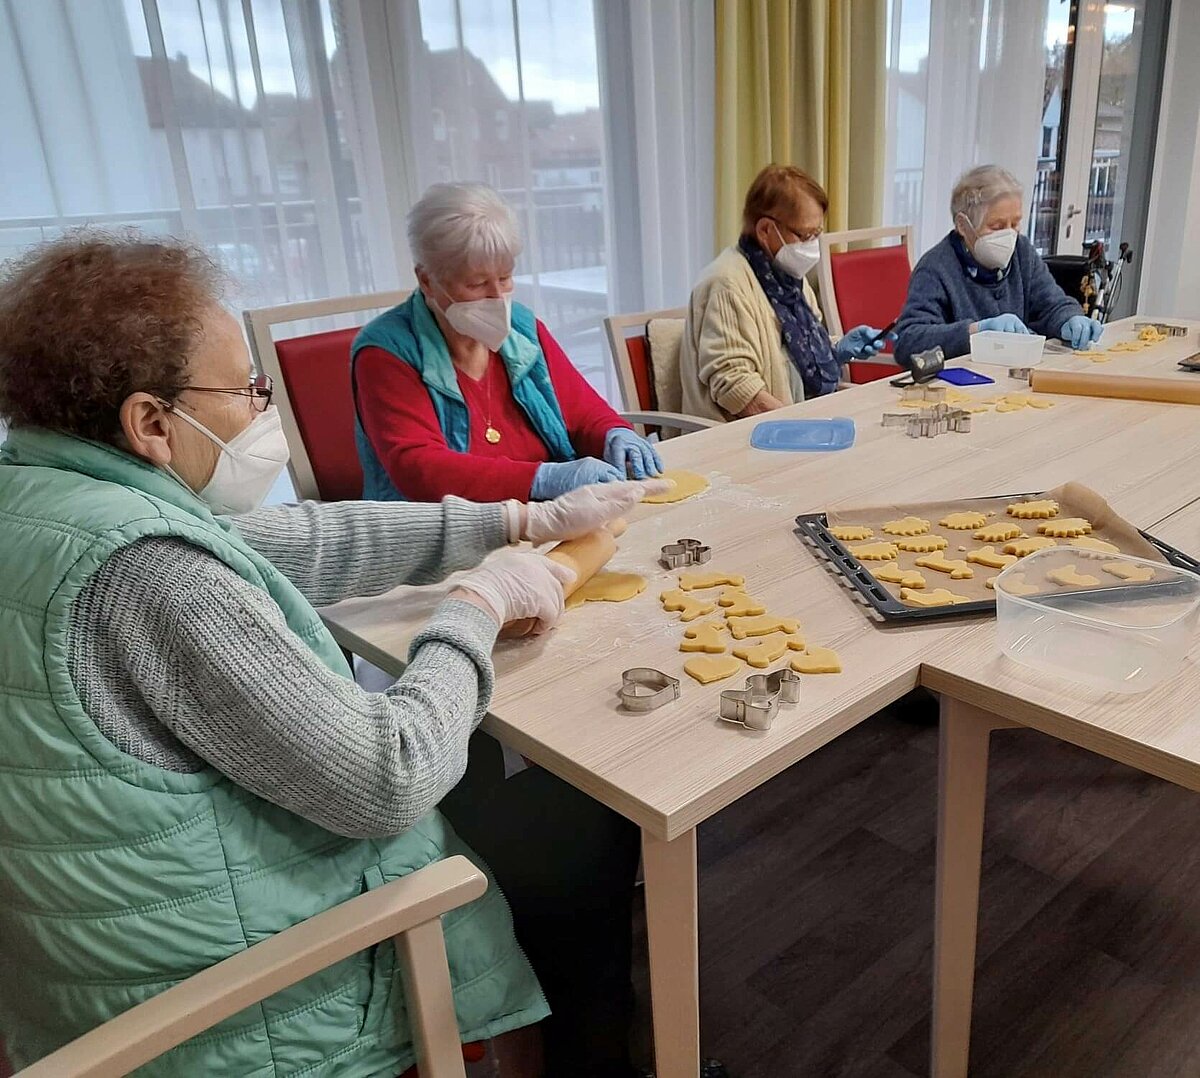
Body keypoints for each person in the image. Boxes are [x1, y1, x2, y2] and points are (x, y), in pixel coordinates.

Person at [0, 232, 662, 1077]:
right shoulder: (147, 573)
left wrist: (511, 525)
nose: (261, 404)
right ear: (151, 423)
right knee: (566, 839)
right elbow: (392, 775)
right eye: (245, 388)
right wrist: (477, 605)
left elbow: (296, 538)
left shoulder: (48, 495)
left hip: (84, 979)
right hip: (241, 1020)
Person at [353, 182, 661, 503]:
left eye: (504, 277)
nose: (498, 297)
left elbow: (582, 413)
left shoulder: (523, 329)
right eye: (476, 283)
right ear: (427, 280)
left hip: (550, 517)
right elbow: (418, 469)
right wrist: (542, 479)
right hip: (451, 529)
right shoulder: (385, 352)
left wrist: (615, 433)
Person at [678, 163, 895, 423]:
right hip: (745, 438)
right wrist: (803, 427)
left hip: (796, 421)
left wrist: (837, 348)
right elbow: (737, 388)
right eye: (805, 235)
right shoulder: (726, 284)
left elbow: (792, 356)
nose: (813, 245)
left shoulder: (788, 277)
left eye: (818, 234)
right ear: (766, 230)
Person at [894, 164, 1104, 367]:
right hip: (957, 387)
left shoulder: (1022, 252)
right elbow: (908, 342)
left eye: (1015, 223)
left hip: (1013, 381)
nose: (1010, 234)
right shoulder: (936, 268)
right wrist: (976, 331)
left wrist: (1070, 319)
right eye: (997, 226)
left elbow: (1053, 304)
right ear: (963, 225)